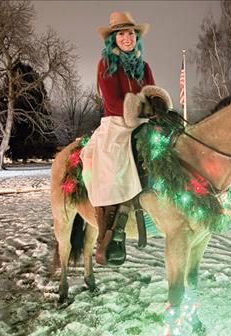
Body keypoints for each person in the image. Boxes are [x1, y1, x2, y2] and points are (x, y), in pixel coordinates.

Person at [80, 12, 170, 266]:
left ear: (136, 37)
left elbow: (151, 92)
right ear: (113, 39)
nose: (127, 38)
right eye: (121, 33)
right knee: (112, 162)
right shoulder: (106, 64)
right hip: (117, 122)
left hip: (144, 121)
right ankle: (110, 233)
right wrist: (141, 110)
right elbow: (112, 102)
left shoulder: (145, 66)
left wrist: (158, 106)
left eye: (131, 33)